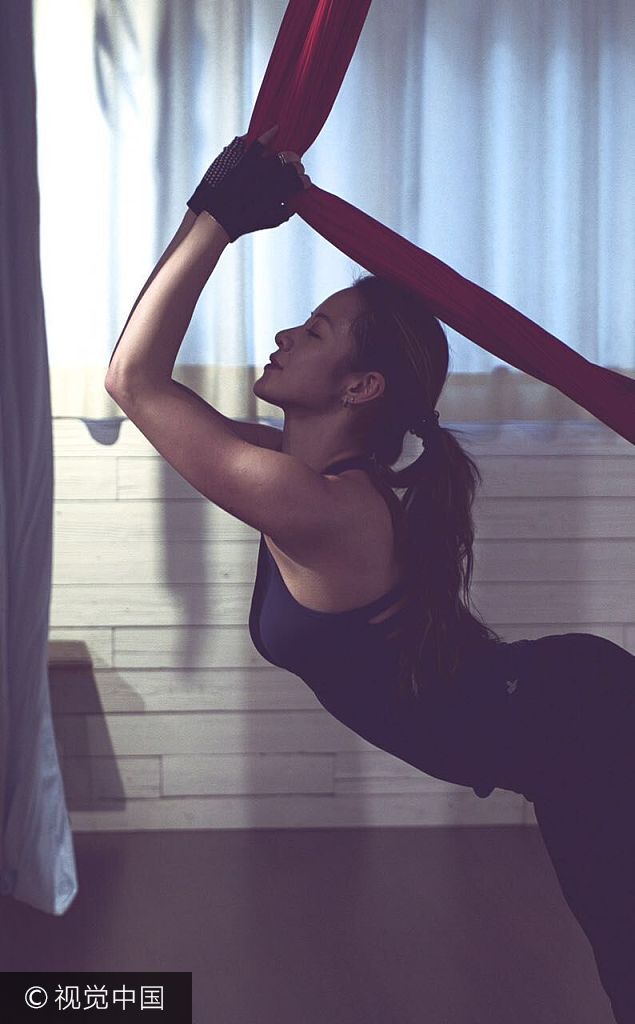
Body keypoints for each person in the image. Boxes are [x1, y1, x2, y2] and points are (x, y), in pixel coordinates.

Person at [107, 126, 635, 1023]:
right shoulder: (299, 476)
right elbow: (143, 377)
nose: (280, 334)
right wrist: (212, 217)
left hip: (576, 724)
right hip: (563, 713)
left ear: (361, 389)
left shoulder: (313, 502)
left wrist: (216, 220)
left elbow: (132, 380)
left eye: (313, 331)